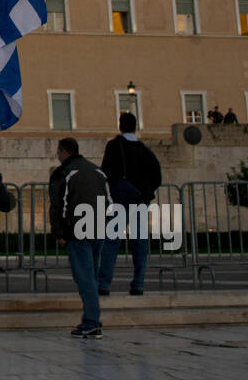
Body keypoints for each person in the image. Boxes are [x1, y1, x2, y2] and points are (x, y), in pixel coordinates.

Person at [97, 112, 163, 297]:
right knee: (140, 244)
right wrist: (146, 191)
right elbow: (157, 176)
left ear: (120, 125)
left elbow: (106, 173)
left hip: (120, 199)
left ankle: (104, 284)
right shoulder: (144, 150)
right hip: (140, 201)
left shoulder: (114, 146)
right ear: (135, 126)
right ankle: (138, 284)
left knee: (111, 243)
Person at [49, 137, 109, 338]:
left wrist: (60, 232)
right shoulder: (98, 171)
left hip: (78, 230)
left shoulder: (64, 173)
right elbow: (109, 202)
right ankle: (89, 320)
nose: (58, 157)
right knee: (90, 276)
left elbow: (58, 205)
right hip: (98, 228)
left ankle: (92, 322)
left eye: (58, 153)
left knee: (84, 278)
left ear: (64, 152)